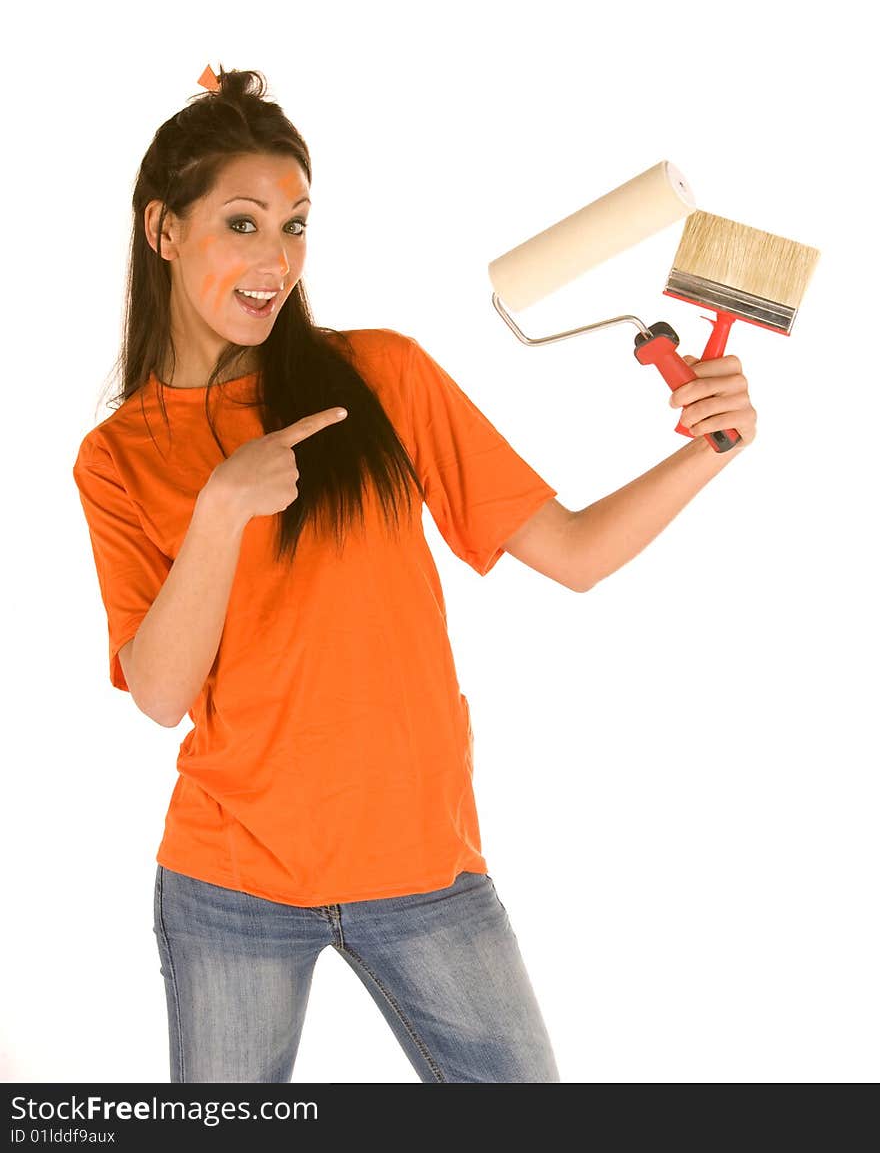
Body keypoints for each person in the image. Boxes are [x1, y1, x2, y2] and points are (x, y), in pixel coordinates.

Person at [72, 65, 756, 1083]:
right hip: (231, 879)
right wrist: (220, 509)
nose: (278, 259)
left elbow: (570, 553)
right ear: (163, 230)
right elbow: (162, 694)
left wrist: (711, 448)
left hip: (423, 864)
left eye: (297, 224)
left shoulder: (381, 376)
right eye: (245, 223)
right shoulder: (118, 455)